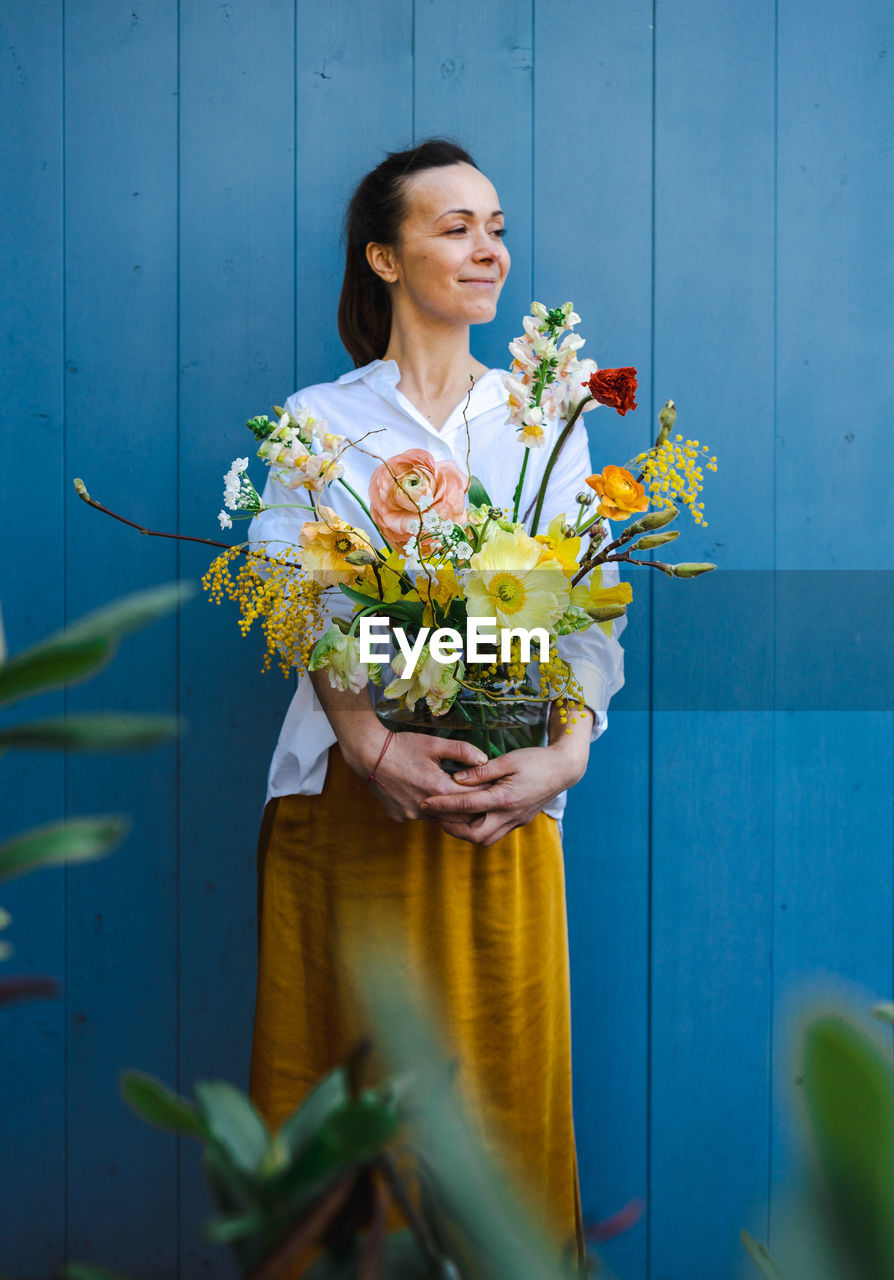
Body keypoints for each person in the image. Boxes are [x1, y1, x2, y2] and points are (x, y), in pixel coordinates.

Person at [246, 138, 626, 1270]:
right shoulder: (317, 422)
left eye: (496, 225)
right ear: (384, 256)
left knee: (499, 1117)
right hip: (347, 816)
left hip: (502, 809)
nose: (487, 248)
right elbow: (297, 601)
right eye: (454, 226)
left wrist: (569, 752)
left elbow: (591, 613)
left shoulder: (544, 417)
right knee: (342, 1106)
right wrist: (367, 743)